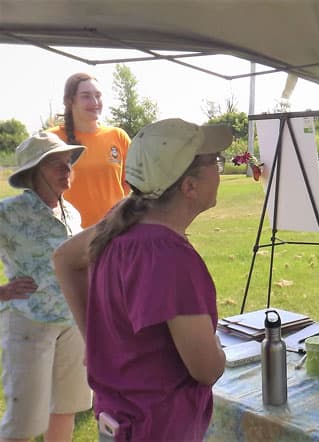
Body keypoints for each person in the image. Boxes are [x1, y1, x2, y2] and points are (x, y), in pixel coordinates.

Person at [52, 118, 231, 441]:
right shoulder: (170, 257)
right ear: (189, 187)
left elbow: (64, 259)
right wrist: (218, 350)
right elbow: (206, 370)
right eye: (214, 162)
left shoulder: (122, 224)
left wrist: (93, 339)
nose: (220, 169)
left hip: (122, 418)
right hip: (158, 425)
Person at [0, 132, 91, 441]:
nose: (67, 170)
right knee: (24, 421)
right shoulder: (7, 213)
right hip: (29, 324)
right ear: (33, 171)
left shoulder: (71, 212)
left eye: (68, 163)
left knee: (66, 408)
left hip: (71, 322)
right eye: (56, 164)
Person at [48, 72, 131, 228]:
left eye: (98, 95)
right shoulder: (51, 138)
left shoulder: (118, 136)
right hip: (67, 235)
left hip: (113, 233)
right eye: (86, 96)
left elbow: (129, 184)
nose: (95, 102)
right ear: (69, 101)